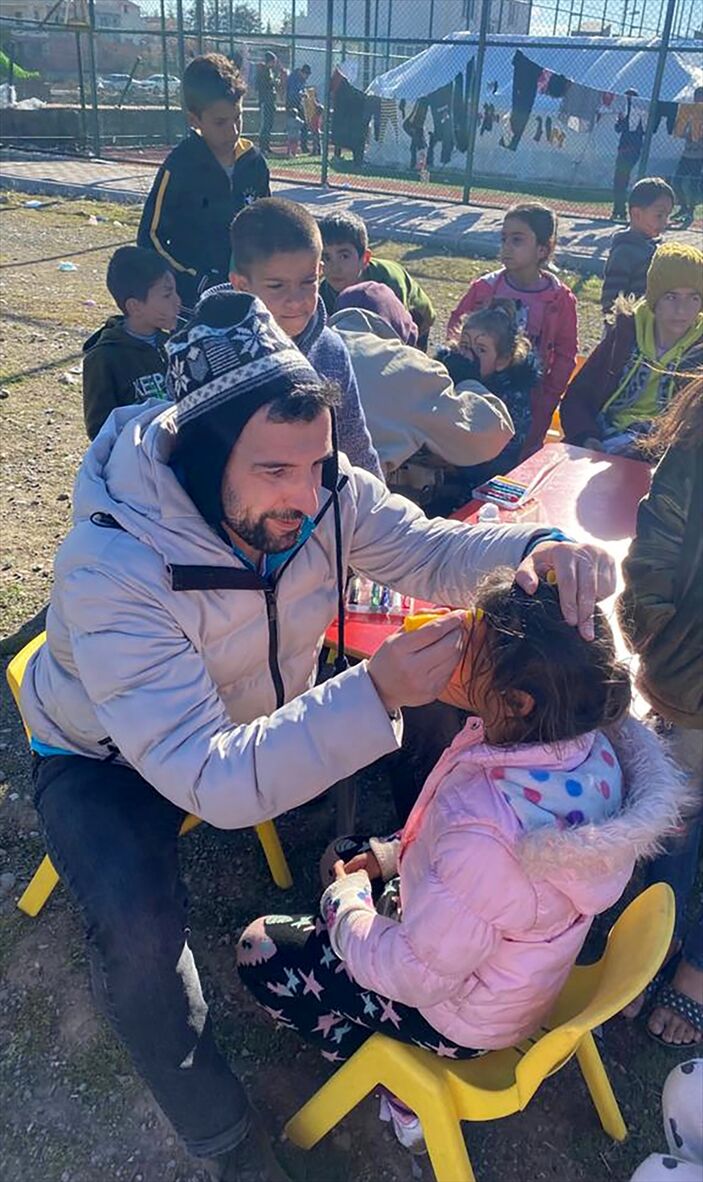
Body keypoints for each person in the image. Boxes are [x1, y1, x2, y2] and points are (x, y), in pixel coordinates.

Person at [19, 287, 609, 1180]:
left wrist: (536, 549)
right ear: (199, 454)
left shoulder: (324, 490)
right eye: (274, 472)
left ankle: (406, 901)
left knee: (423, 704)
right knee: (139, 939)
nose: (306, 497)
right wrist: (370, 691)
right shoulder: (113, 566)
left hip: (245, 723)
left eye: (318, 464)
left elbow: (427, 552)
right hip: (104, 754)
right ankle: (227, 1142)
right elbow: (211, 779)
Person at [237, 569, 682, 1152]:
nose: (456, 643)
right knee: (347, 854)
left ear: (517, 701)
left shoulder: (485, 834)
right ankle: (351, 939)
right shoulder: (584, 749)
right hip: (512, 974)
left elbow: (418, 972)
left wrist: (344, 908)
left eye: (474, 643)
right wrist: (389, 857)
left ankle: (396, 1086)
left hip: (453, 1014)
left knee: (261, 949)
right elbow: (461, 868)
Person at [618, 378, 703, 1049]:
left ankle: (696, 965)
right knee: (677, 808)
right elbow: (658, 544)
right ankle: (659, 931)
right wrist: (659, 634)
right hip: (694, 673)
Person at [228, 197, 384, 479]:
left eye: (308, 282)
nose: (296, 300)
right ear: (241, 285)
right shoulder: (210, 353)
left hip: (316, 502)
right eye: (277, 286)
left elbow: (355, 444)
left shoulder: (330, 350)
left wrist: (380, 503)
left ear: (319, 272)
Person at [328, 282, 515, 478]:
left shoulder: (311, 342)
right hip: (350, 489)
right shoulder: (405, 365)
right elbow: (493, 431)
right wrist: (468, 380)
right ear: (399, 322)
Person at [137, 54, 270, 310]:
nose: (233, 130)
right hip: (194, 302)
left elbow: (266, 226)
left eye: (238, 118)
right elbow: (150, 236)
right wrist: (193, 280)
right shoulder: (180, 166)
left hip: (247, 296)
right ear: (194, 120)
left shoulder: (254, 163)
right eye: (220, 122)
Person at [447, 202, 578, 456]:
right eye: (503, 238)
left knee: (515, 461)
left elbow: (565, 355)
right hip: (479, 392)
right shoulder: (484, 289)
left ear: (543, 249)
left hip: (528, 401)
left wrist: (547, 400)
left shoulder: (559, 299)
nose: (506, 246)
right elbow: (455, 328)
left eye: (517, 240)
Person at [561, 242, 703, 456]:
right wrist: (586, 436)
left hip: (665, 454)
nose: (681, 310)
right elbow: (578, 397)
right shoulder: (625, 335)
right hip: (602, 439)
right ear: (654, 298)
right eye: (671, 297)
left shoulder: (699, 352)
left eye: (693, 298)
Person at [82, 246, 181, 440]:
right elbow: (99, 430)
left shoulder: (174, 344)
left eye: (176, 292)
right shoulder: (103, 358)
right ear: (135, 306)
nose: (177, 301)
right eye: (167, 295)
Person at [436, 300, 541, 480]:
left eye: (481, 350)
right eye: (465, 346)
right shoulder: (446, 374)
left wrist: (457, 465)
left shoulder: (512, 396)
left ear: (502, 360)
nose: (468, 355)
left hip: (484, 477)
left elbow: (504, 450)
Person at [318, 211, 436, 351]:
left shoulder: (389, 279)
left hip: (415, 318)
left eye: (344, 256)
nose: (334, 268)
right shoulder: (324, 292)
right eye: (326, 257)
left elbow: (399, 329)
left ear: (365, 258)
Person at [601, 177, 674, 315]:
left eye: (668, 215)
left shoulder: (660, 249)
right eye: (659, 215)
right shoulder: (624, 252)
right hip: (632, 324)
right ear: (637, 214)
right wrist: (621, 323)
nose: (665, 222)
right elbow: (611, 299)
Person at [670, 85, 703, 229]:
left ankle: (690, 211)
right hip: (687, 154)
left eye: (700, 97)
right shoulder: (689, 111)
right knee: (676, 181)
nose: (698, 99)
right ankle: (683, 207)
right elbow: (681, 131)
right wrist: (684, 131)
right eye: (696, 96)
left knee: (693, 185)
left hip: (699, 155)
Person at [611, 90, 645, 222]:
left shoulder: (639, 112)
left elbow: (641, 130)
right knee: (619, 181)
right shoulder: (624, 111)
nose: (628, 100)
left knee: (621, 180)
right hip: (623, 149)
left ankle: (621, 211)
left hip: (632, 149)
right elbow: (618, 128)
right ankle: (618, 210)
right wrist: (621, 119)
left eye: (630, 98)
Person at [255, 50, 278, 156]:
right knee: (265, 124)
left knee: (269, 124)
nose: (274, 63)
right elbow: (260, 85)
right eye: (273, 61)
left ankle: (267, 146)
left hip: (271, 100)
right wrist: (272, 83)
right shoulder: (262, 71)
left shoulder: (270, 71)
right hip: (265, 100)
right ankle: (262, 146)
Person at [286, 62, 310, 152]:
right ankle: (290, 149)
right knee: (292, 126)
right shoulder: (294, 78)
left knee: (304, 124)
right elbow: (293, 92)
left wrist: (304, 93)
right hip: (292, 103)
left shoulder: (302, 79)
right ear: (302, 73)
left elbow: (302, 89)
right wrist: (301, 94)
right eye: (306, 75)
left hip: (299, 103)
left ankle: (304, 146)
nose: (307, 77)